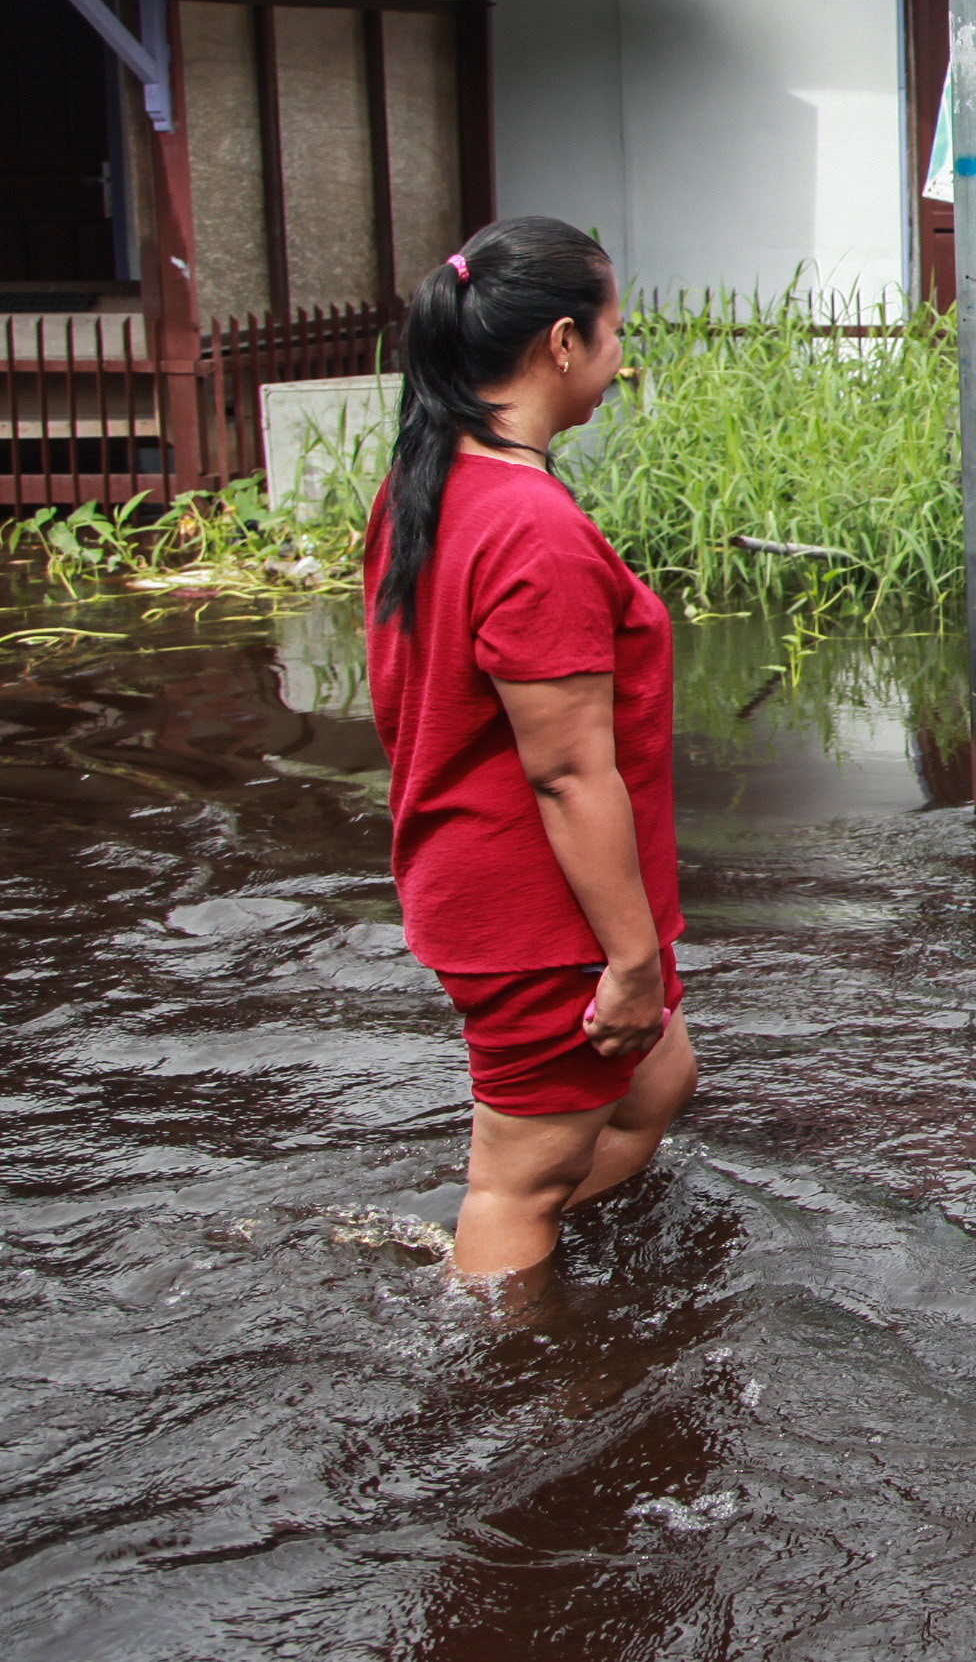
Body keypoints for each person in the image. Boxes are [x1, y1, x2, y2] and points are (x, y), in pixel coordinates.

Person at [365, 217, 694, 1290]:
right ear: (562, 342)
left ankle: (489, 1258)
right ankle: (496, 1355)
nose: (620, 354)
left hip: (493, 880)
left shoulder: (427, 481)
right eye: (614, 331)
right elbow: (566, 772)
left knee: (657, 1082)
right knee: (521, 1180)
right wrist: (629, 962)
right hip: (542, 914)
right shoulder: (531, 528)